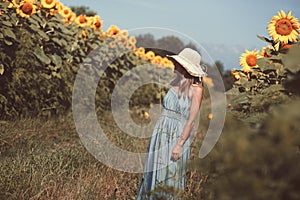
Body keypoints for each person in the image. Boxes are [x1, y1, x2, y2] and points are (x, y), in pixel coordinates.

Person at [136, 48, 207, 200]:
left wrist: (179, 144)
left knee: (169, 173)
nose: (174, 64)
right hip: (161, 131)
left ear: (186, 67)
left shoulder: (197, 89)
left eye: (178, 62)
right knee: (154, 170)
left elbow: (191, 120)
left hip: (177, 134)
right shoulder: (175, 82)